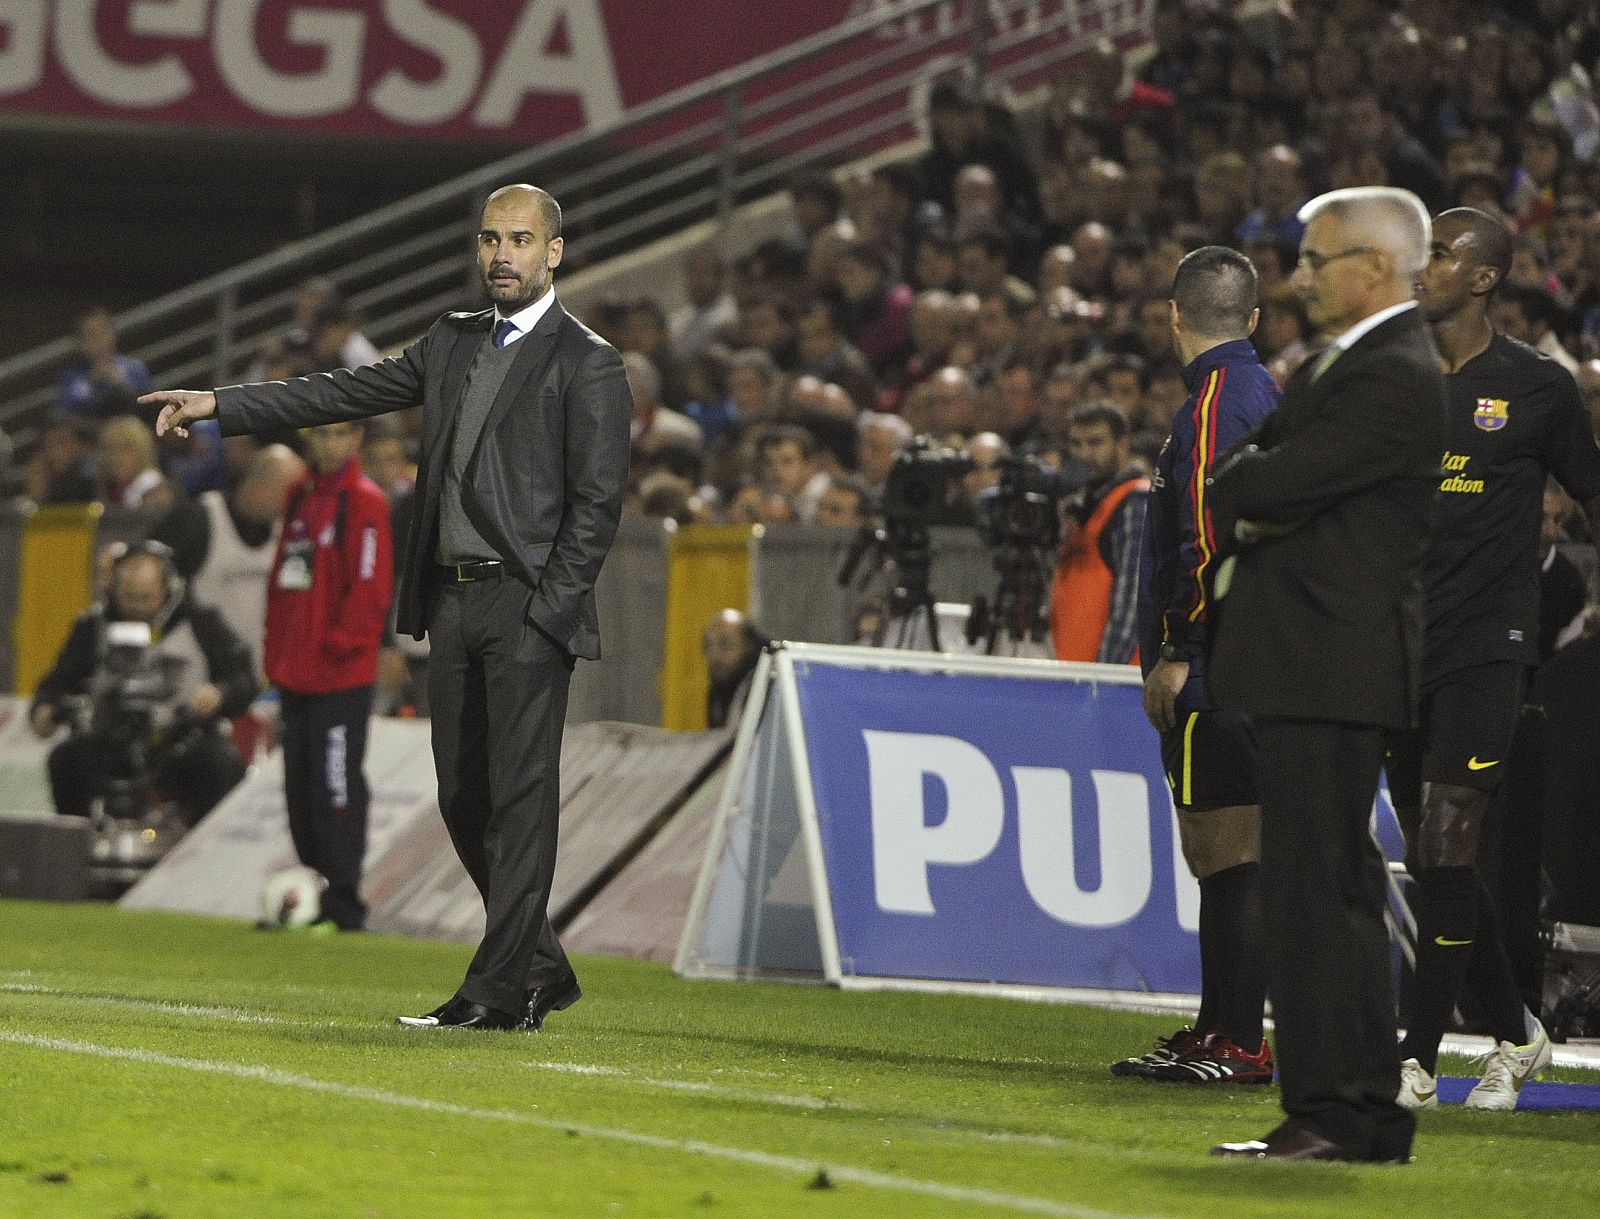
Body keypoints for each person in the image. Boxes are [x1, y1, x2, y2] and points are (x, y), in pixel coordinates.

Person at [144, 183, 633, 1032]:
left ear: (554, 253)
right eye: (490, 239)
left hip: (525, 608)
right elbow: (340, 392)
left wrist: (549, 612)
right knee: (461, 800)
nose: (502, 255)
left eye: (520, 240)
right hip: (451, 602)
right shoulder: (449, 342)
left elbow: (598, 506)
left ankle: (496, 989)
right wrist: (223, 406)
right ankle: (540, 966)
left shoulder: (588, 361)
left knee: (519, 801)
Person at [1206, 187, 1444, 1163]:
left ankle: (1330, 1111)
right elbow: (1246, 479)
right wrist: (1254, 494)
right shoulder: (1354, 364)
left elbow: (1264, 481)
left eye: (1315, 257)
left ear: (1374, 266)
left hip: (1328, 661)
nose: (1298, 277)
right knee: (1330, 887)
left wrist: (1256, 497)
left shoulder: (1389, 371)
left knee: (1317, 892)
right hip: (1316, 661)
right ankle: (1355, 1112)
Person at [1390, 206, 1600, 1111]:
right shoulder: (1389, 376)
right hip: (1397, 646)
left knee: (1448, 832)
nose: (1420, 267)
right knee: (1441, 861)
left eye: (1438, 254)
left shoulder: (1537, 387)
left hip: (1490, 644)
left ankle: (1416, 1059)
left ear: (1483, 277)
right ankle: (1517, 1032)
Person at [1116, 246, 1279, 1084]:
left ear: (1173, 314)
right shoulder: (1251, 391)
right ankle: (1222, 1028)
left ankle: (1240, 1040)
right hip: (1250, 661)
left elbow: (1209, 537)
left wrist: (1179, 650)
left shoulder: (1216, 401)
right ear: (1251, 318)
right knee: (1222, 849)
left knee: (1226, 848)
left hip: (1221, 668)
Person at [265, 421, 394, 932]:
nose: (331, 444)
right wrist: (276, 650)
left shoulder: (364, 501)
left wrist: (345, 645)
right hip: (296, 671)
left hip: (340, 675)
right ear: (307, 438)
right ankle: (311, 894)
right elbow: (284, 577)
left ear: (357, 438)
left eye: (341, 434)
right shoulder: (300, 494)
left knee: (335, 787)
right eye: (322, 434)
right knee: (299, 787)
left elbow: (370, 582)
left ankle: (344, 903)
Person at [29, 542, 255, 826]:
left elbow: (242, 677)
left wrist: (219, 694)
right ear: (114, 590)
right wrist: (47, 710)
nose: (137, 608)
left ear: (166, 590)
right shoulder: (92, 627)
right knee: (66, 760)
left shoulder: (201, 622)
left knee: (221, 762)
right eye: (129, 597)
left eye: (146, 598)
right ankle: (80, 847)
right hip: (109, 742)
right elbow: (56, 684)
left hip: (180, 740)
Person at [152, 444, 307, 675]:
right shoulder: (196, 518)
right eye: (292, 494)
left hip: (261, 677)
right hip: (200, 674)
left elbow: (298, 600)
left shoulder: (293, 532)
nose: (297, 504)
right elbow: (152, 578)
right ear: (261, 484)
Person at [1049, 402, 1149, 664]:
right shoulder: (1083, 507)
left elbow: (1133, 602)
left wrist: (1105, 677)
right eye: (1076, 444)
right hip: (1074, 675)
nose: (1084, 454)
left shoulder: (1136, 500)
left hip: (1109, 683)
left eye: (1095, 443)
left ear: (1122, 444)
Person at [54, 308, 152, 420]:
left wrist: (121, 383)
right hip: (94, 431)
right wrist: (91, 383)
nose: (99, 340)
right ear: (81, 343)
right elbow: (62, 411)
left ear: (113, 334)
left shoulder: (134, 368)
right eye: (91, 335)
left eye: (103, 332)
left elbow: (148, 404)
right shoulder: (72, 377)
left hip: (133, 426)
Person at [702, 609, 770, 729]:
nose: (714, 656)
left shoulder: (770, 689)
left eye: (725, 644)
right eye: (707, 646)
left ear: (749, 647)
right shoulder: (719, 689)